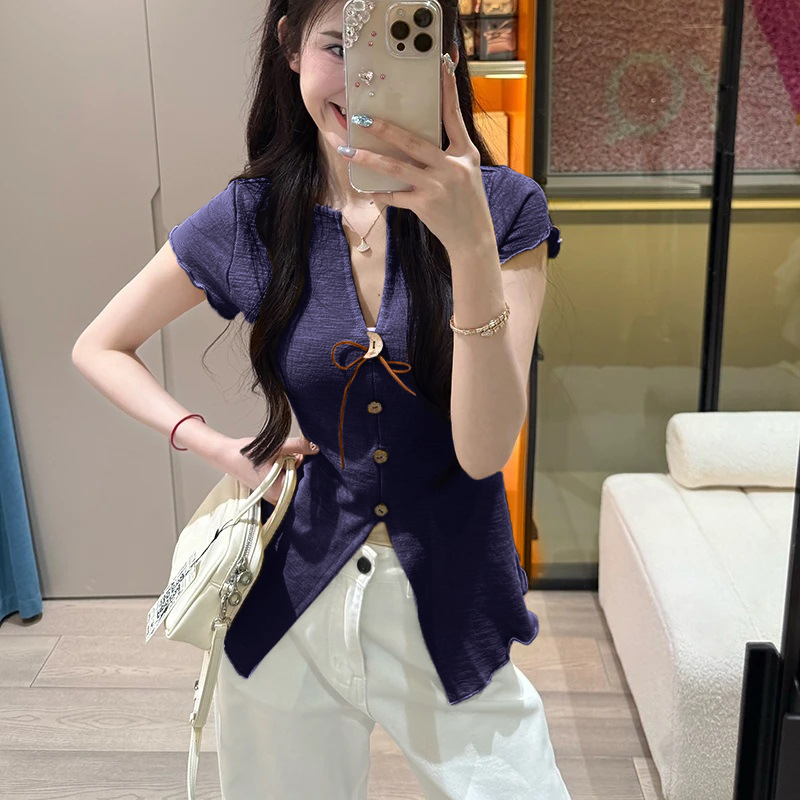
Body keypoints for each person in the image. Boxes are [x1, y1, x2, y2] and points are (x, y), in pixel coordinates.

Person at [72, 0, 570, 796]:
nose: (362, 80)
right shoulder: (253, 216)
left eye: (398, 48)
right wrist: (218, 447)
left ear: (443, 60)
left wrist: (471, 245)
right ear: (290, 49)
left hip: (450, 595)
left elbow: (484, 452)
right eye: (339, 47)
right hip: (290, 599)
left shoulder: (505, 210)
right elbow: (98, 344)